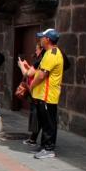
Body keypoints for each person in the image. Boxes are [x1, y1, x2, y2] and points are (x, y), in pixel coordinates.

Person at [30, 29, 64, 159]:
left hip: (47, 95)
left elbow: (42, 75)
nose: (40, 40)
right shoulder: (49, 53)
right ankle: (45, 146)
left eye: (42, 37)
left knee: (49, 123)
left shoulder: (52, 54)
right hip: (43, 95)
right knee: (45, 122)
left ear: (48, 39)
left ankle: (49, 149)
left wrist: (31, 85)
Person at [17, 42, 45, 146]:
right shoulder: (42, 60)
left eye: (37, 49)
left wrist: (21, 66)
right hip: (37, 92)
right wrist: (28, 66)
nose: (35, 51)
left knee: (37, 116)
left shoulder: (42, 60)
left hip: (37, 92)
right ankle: (33, 138)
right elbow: (34, 72)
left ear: (41, 49)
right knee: (37, 116)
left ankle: (35, 140)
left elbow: (28, 74)